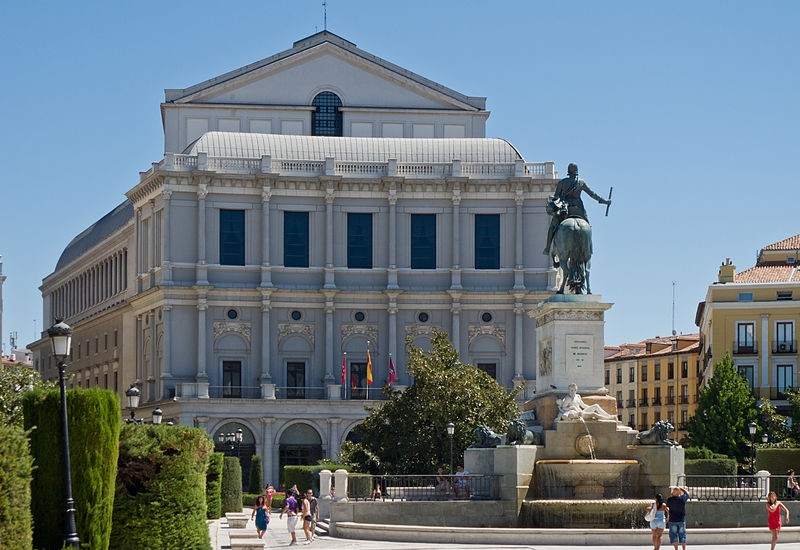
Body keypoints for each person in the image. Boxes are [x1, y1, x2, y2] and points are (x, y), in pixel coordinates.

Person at [542, 162, 610, 256]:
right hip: (579, 210)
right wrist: (605, 201)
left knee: (553, 226)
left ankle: (547, 248)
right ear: (576, 172)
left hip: (565, 210)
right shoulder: (581, 182)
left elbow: (556, 197)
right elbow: (592, 194)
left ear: (568, 172)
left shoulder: (562, 182)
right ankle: (589, 247)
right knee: (588, 226)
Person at [665, 485, 690, 550]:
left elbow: (667, 508)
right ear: (679, 493)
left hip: (672, 520)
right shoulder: (682, 499)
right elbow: (687, 494)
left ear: (673, 492)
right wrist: (682, 489)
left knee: (673, 535)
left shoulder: (669, 500)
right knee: (682, 535)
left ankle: (676, 549)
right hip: (681, 520)